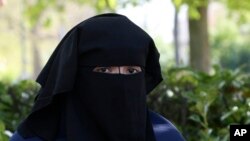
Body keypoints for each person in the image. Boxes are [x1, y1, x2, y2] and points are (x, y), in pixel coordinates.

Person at [10, 13, 186, 141]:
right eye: (104, 70)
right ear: (74, 75)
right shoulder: (32, 139)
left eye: (131, 71)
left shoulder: (166, 135)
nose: (120, 83)